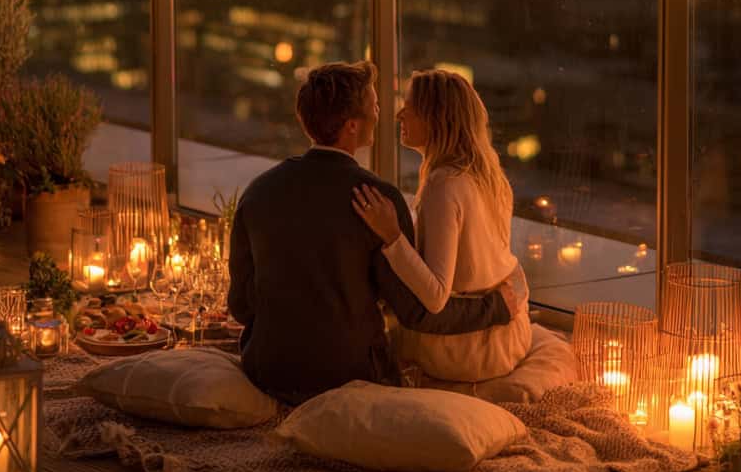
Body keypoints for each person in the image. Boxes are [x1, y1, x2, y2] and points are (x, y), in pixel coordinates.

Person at [227, 60, 517, 404]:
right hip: (350, 376)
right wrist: (495, 308)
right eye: (375, 106)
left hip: (268, 370)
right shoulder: (376, 202)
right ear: (351, 126)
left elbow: (241, 306)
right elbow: (416, 312)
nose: (385, 115)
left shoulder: (259, 191)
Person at [352, 69, 531, 384]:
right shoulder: (487, 176)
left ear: (437, 119)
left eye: (410, 107)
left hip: (467, 351)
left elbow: (435, 296)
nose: (398, 114)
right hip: (511, 336)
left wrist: (391, 236)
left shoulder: (444, 184)